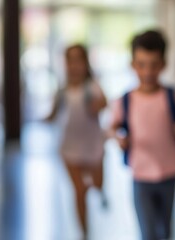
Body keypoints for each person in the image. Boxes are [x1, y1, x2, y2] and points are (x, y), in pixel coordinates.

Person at [109, 30, 175, 240]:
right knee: (147, 231)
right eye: (141, 64)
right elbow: (112, 126)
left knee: (165, 229)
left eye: (153, 65)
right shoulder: (126, 100)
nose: (147, 71)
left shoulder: (171, 96)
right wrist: (119, 137)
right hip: (140, 173)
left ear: (163, 64)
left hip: (170, 171)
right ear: (133, 64)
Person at [45, 44, 108, 237]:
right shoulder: (62, 89)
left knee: (97, 184)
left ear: (85, 63)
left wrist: (96, 106)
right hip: (69, 147)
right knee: (79, 192)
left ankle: (92, 185)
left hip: (93, 145)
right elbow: (53, 114)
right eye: (70, 60)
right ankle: (84, 233)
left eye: (78, 60)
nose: (74, 65)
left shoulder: (92, 86)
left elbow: (104, 103)